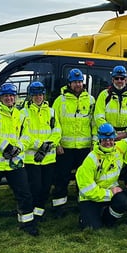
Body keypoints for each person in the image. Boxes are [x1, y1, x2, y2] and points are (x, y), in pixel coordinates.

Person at [0, 82, 38, 236]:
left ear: (15, 98)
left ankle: (27, 225)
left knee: (24, 194)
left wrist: (19, 147)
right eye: (6, 96)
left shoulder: (20, 115)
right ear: (1, 98)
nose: (9, 98)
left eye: (11, 96)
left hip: (14, 163)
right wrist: (7, 147)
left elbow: (28, 136)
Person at [49, 68, 96, 217]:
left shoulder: (90, 100)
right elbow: (54, 124)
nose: (78, 84)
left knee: (83, 177)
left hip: (84, 147)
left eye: (80, 81)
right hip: (66, 148)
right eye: (75, 82)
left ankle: (82, 203)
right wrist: (57, 144)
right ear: (69, 83)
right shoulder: (60, 101)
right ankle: (58, 207)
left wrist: (94, 143)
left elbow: (94, 124)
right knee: (61, 177)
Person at [20, 81, 62, 222]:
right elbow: (24, 135)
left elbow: (57, 131)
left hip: (49, 158)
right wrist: (40, 145)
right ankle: (30, 213)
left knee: (45, 188)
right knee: (35, 187)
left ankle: (39, 213)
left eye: (40, 94)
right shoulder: (23, 113)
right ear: (30, 96)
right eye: (35, 95)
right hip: (32, 158)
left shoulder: (51, 111)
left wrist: (48, 145)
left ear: (44, 95)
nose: (38, 97)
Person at [75, 123, 127, 229]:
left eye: (110, 139)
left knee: (123, 201)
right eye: (105, 140)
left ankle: (107, 218)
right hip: (91, 197)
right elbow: (88, 190)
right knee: (91, 227)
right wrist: (110, 193)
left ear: (114, 139)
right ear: (99, 140)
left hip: (109, 192)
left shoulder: (118, 149)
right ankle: (87, 217)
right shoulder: (91, 158)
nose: (108, 142)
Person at [94, 65, 127, 140]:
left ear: (126, 80)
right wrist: (110, 132)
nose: (119, 81)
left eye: (122, 78)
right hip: (107, 137)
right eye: (116, 78)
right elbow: (98, 117)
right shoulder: (104, 95)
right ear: (113, 80)